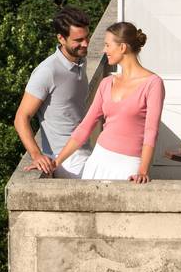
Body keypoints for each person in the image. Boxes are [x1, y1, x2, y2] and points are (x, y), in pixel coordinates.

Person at [54, 21, 164, 183]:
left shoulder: (153, 83)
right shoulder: (106, 83)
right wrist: (56, 162)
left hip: (129, 166)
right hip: (98, 159)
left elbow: (151, 131)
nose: (104, 50)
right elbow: (85, 126)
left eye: (107, 45)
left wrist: (142, 170)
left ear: (122, 47)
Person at [15, 7, 93, 179]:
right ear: (61, 38)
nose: (86, 43)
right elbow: (21, 117)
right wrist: (36, 155)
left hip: (84, 151)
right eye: (78, 40)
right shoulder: (47, 71)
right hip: (65, 160)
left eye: (87, 36)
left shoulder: (81, 60)